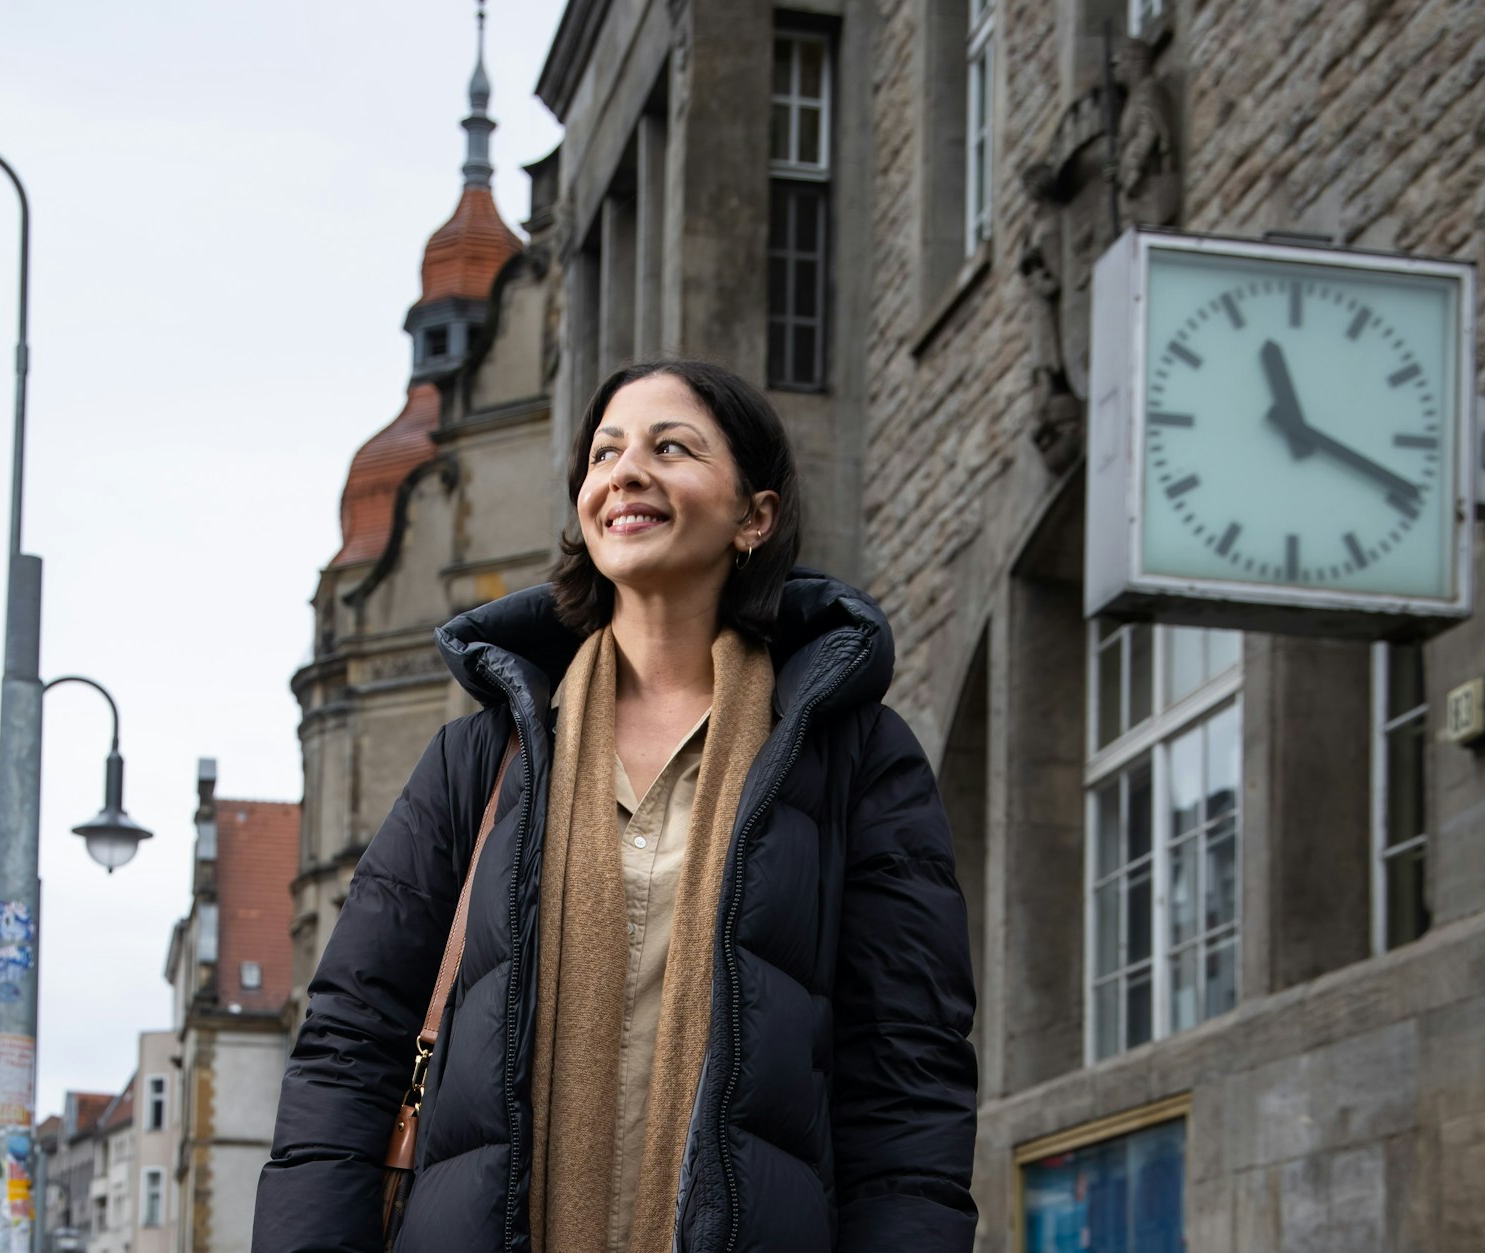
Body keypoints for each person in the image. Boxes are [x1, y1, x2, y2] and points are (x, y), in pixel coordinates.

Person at [253, 358, 979, 1253]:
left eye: (671, 447)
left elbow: (908, 1074)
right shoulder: (481, 757)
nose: (627, 470)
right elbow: (351, 1037)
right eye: (605, 453)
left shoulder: (854, 756)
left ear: (755, 516)